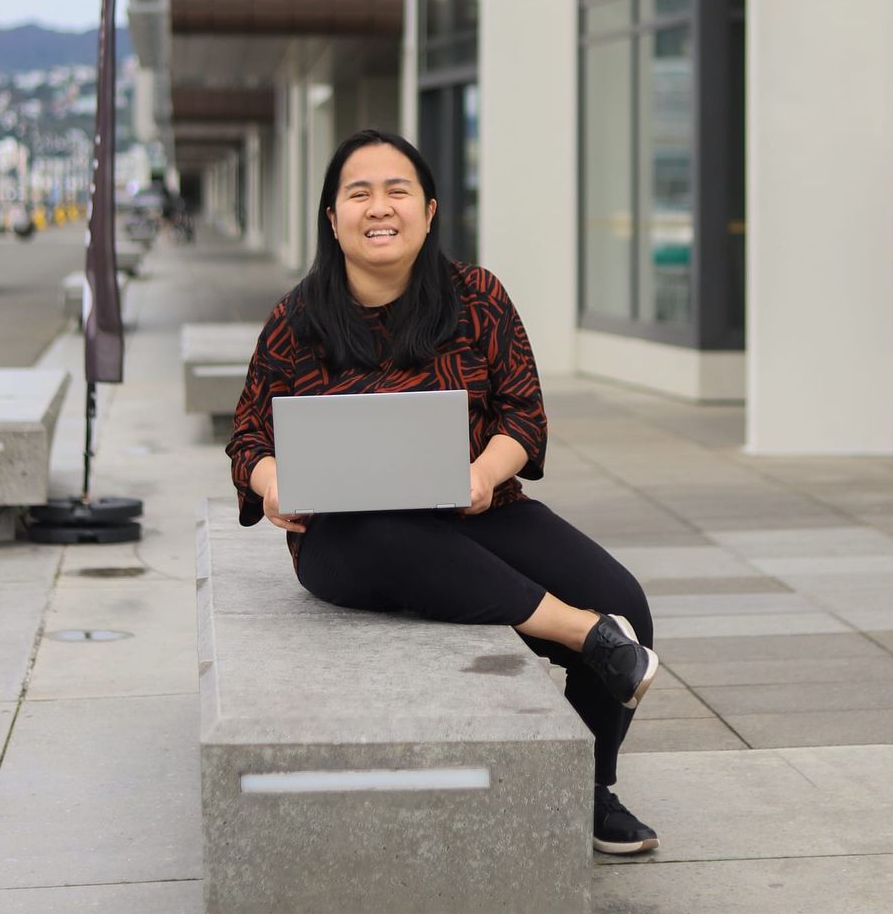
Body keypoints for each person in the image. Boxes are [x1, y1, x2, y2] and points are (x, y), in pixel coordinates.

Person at [227, 127, 662, 856]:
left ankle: (588, 791)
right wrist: (273, 486)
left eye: (396, 190)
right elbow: (248, 439)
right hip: (350, 536)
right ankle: (584, 636)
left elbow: (523, 414)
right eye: (357, 192)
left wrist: (483, 475)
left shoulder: (478, 297)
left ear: (428, 211)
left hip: (475, 512)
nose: (379, 207)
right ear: (331, 218)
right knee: (389, 534)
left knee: (628, 600)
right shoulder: (297, 319)